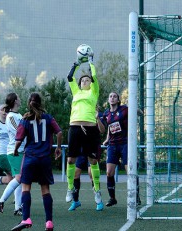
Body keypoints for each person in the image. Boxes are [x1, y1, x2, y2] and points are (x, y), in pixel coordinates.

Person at [11, 92, 62, 231]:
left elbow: (19, 139)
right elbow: (59, 133)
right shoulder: (48, 117)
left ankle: (26, 218)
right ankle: (49, 222)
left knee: (26, 188)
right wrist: (58, 148)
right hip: (44, 159)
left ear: (29, 103)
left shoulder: (25, 119)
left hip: (30, 158)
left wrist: (15, 150)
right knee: (45, 189)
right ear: (41, 103)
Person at [65, 54, 104, 211]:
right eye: (82, 80)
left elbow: (94, 76)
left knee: (93, 162)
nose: (84, 81)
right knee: (70, 161)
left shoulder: (93, 93)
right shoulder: (77, 92)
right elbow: (69, 77)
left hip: (90, 129)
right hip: (74, 127)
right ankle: (70, 188)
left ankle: (97, 191)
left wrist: (90, 63)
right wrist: (76, 64)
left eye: (86, 80)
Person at [102, 92, 141, 207]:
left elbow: (139, 113)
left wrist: (135, 108)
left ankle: (136, 195)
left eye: (114, 96)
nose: (112, 98)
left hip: (125, 144)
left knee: (130, 171)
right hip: (112, 145)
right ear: (108, 100)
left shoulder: (124, 109)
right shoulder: (106, 114)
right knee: (109, 172)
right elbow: (110, 128)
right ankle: (112, 198)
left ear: (118, 100)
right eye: (110, 96)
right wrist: (107, 139)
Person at [0, 93, 25, 216]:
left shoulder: (19, 115)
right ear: (14, 101)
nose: (20, 98)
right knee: (18, 178)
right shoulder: (11, 116)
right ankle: (1, 201)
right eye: (18, 97)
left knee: (19, 179)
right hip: (15, 151)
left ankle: (17, 207)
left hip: (22, 150)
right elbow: (20, 131)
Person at [69, 113, 105, 211]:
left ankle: (98, 200)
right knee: (76, 173)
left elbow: (102, 130)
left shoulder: (99, 115)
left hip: (92, 145)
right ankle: (75, 201)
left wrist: (97, 118)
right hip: (81, 147)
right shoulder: (80, 114)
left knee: (91, 173)